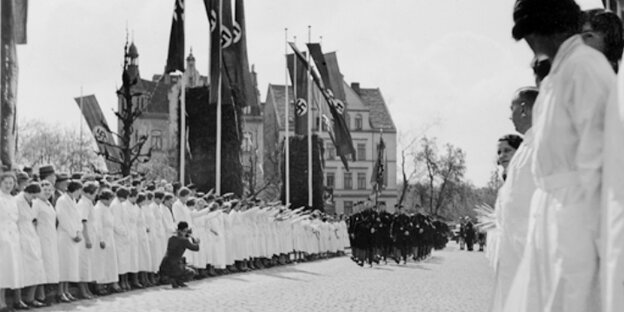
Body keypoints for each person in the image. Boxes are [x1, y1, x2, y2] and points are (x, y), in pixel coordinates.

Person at [505, 1, 615, 311]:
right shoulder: (558, 76)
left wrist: (601, 245)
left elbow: (599, 163)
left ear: (539, 31)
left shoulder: (585, 68)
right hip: (552, 217)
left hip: (577, 217)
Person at [489, 87, 538, 312]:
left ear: (524, 108)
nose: (502, 157)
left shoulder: (535, 147)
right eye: (499, 153)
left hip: (526, 249)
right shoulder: (526, 151)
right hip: (510, 252)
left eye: (512, 108)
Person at [15, 182, 46, 308]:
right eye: (34, 196)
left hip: (31, 235)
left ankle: (30, 298)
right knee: (21, 270)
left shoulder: (31, 202)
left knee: (36, 267)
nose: (34, 199)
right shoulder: (17, 201)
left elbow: (32, 218)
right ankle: (18, 299)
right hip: (20, 236)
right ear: (30, 192)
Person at [56, 180, 84, 302]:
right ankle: (60, 292)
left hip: (73, 237)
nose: (80, 193)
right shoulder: (62, 201)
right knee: (63, 265)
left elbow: (78, 219)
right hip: (65, 235)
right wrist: (73, 233)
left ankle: (66, 290)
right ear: (76, 189)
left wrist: (78, 231)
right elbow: (63, 219)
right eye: (79, 190)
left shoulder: (73, 201)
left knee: (70, 265)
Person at [33, 180, 60, 305]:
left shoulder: (49, 203)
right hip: (41, 237)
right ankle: (41, 295)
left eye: (49, 190)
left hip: (51, 237)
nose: (47, 192)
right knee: (42, 265)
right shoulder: (36, 203)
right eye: (45, 190)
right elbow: (33, 221)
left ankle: (49, 293)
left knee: (50, 265)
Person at [0, 173, 24, 312]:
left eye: (11, 183)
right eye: (5, 183)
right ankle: (1, 302)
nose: (8, 186)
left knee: (13, 268)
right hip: (1, 235)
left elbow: (16, 218)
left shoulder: (13, 199)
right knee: (1, 269)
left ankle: (16, 300)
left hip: (13, 235)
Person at [159, 222, 200, 288]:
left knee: (181, 264)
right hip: (175, 266)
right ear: (182, 231)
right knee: (192, 272)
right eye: (185, 231)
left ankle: (175, 280)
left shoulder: (171, 238)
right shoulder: (184, 241)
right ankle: (178, 280)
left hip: (164, 265)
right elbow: (196, 248)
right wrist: (196, 242)